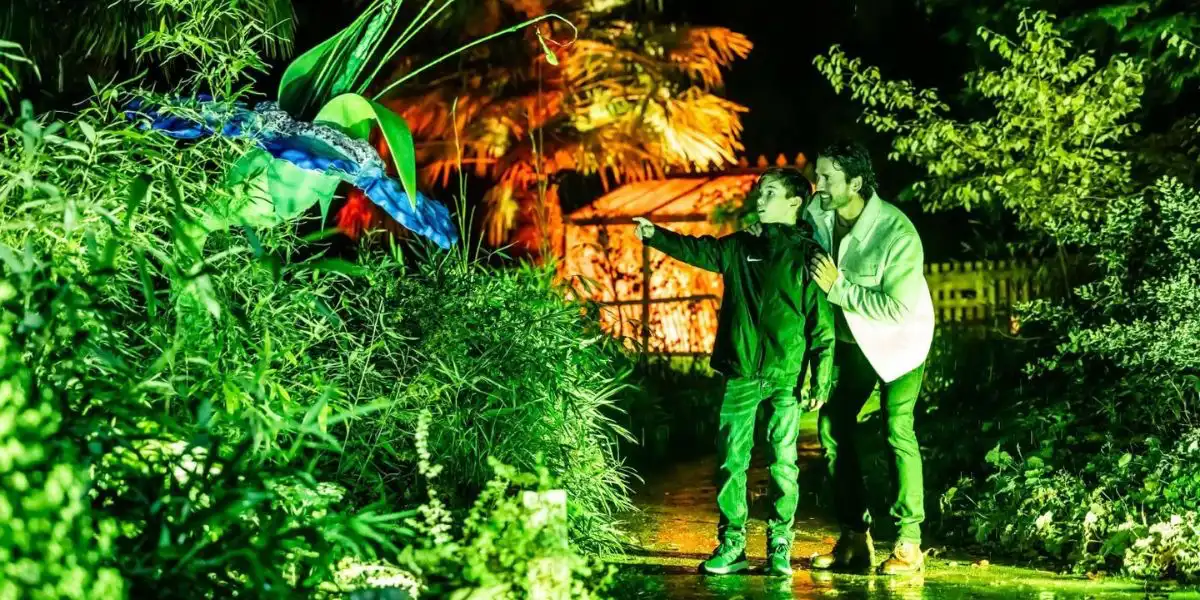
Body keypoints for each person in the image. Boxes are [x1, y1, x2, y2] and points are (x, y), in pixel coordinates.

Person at [632, 167, 836, 577]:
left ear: (794, 202)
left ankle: (780, 545)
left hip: (786, 377)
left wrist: (821, 377)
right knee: (731, 461)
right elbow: (699, 250)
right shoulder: (739, 247)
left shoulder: (808, 256)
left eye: (770, 192)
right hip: (739, 372)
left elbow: (822, 325)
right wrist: (656, 235)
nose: (759, 198)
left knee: (783, 462)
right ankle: (732, 544)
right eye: (759, 191)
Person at [804, 142, 936, 575]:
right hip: (851, 343)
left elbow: (898, 310)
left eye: (827, 178)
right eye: (817, 175)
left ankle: (909, 544)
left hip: (901, 343)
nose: (817, 184)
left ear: (855, 183)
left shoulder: (896, 233)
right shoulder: (818, 213)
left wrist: (839, 287)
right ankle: (854, 539)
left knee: (896, 428)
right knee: (832, 426)